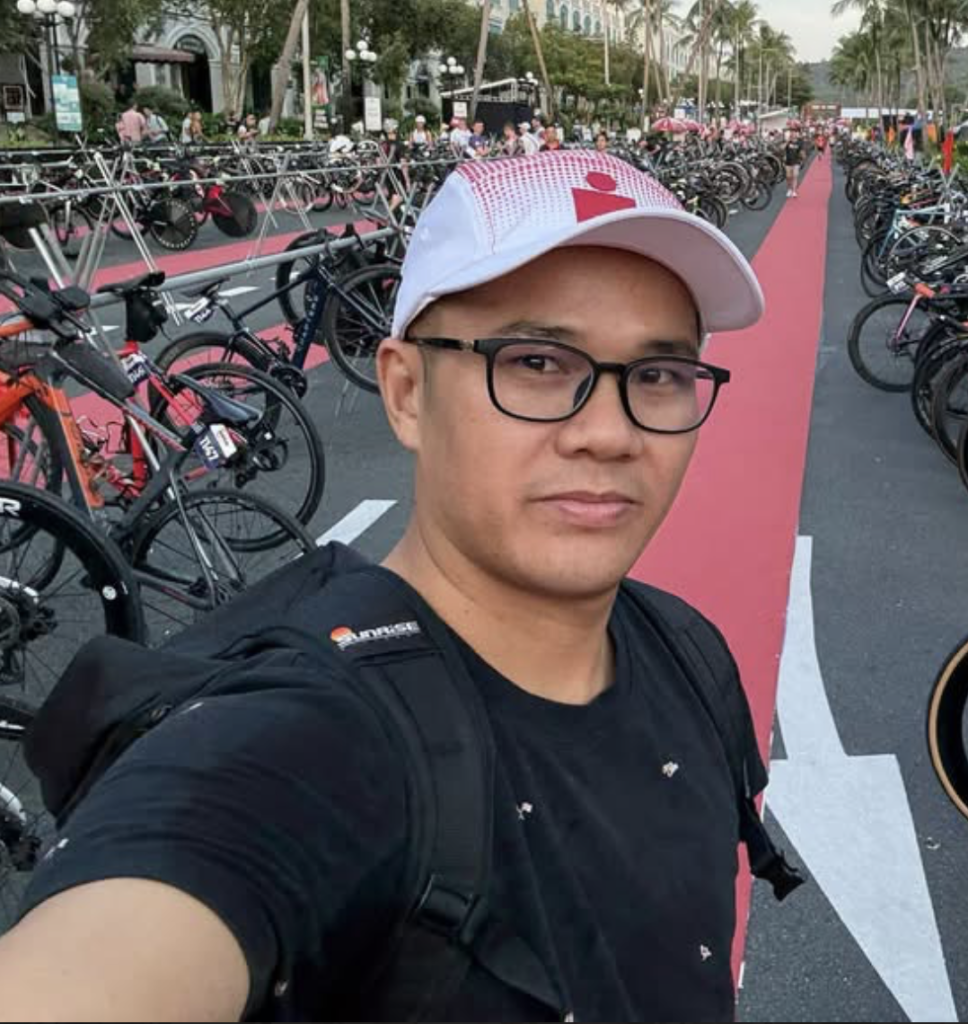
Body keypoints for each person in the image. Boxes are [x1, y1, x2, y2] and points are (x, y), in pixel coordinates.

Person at [0, 150, 789, 1023]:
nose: (608, 432)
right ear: (407, 392)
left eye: (659, 375)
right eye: (535, 363)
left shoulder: (686, 650)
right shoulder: (305, 740)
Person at [783, 128, 805, 199]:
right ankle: (789, 189)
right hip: (788, 162)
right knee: (788, 177)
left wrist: (803, 156)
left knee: (795, 176)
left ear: (797, 134)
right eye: (792, 132)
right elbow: (781, 148)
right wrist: (787, 142)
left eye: (795, 132)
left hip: (796, 161)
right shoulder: (787, 141)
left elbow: (802, 151)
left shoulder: (800, 142)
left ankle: (794, 191)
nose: (793, 134)